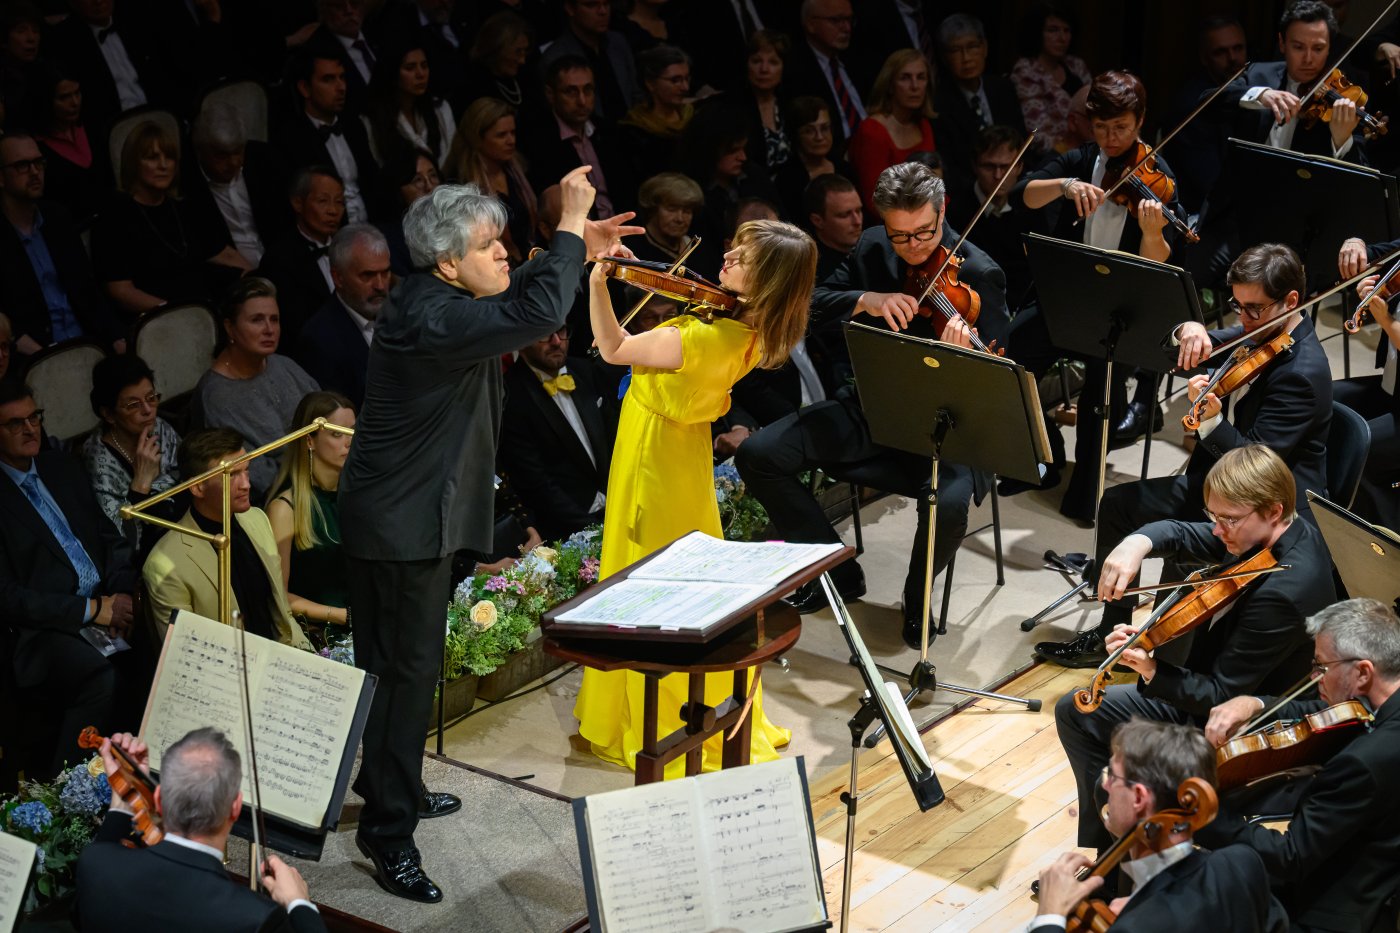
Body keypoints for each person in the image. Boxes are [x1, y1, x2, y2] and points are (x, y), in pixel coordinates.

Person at [337, 168, 638, 901]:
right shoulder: (435, 320)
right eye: (488, 244)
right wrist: (569, 224)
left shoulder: (439, 298)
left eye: (504, 241)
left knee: (408, 669)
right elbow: (535, 312)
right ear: (447, 263)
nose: (504, 253)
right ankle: (387, 831)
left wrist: (574, 247)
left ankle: (394, 784)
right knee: (403, 675)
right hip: (401, 522)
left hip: (415, 511)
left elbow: (516, 289)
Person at [574, 217, 817, 777]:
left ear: (768, 283)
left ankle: (647, 715)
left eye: (743, 259)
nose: (726, 258)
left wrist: (598, 281)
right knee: (681, 576)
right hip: (684, 456)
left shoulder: (699, 338)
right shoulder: (750, 332)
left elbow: (612, 348)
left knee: (644, 577)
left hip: (654, 455)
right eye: (734, 248)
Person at [736, 160, 1009, 647]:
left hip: (946, 429)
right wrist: (866, 299)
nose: (913, 247)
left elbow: (1003, 381)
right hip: (870, 409)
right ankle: (835, 569)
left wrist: (963, 358)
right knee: (758, 455)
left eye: (923, 233)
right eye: (899, 235)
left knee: (947, 503)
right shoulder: (872, 246)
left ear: (943, 210)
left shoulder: (980, 273)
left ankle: (916, 595)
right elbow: (812, 301)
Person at [1034, 244, 1333, 669]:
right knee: (1118, 505)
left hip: (1263, 515)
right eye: (1237, 306)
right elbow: (1176, 352)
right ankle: (1110, 634)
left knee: (1163, 538)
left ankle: (1164, 655)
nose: (1244, 320)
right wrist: (1187, 330)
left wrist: (1211, 423)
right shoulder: (1261, 332)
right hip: (1219, 488)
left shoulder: (1302, 373)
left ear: (1291, 301)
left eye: (1254, 309)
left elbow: (1253, 470)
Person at [1053, 445, 1335, 852]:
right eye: (1213, 516)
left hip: (1238, 727)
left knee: (1083, 721)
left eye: (1228, 519)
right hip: (1219, 687)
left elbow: (1220, 695)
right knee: (1080, 714)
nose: (1217, 530)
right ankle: (1114, 856)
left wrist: (1150, 669)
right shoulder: (1272, 535)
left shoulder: (1284, 592)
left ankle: (1116, 862)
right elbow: (1182, 532)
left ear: (1273, 510)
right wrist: (1136, 543)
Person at [1005, 70, 1179, 516]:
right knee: (1008, 362)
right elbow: (1022, 194)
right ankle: (1044, 457)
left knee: (1101, 391)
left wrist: (1152, 232)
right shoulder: (1082, 160)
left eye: (1121, 127)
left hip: (1119, 307)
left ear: (1140, 121)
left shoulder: (1158, 178)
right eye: (1101, 127)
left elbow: (1158, 264)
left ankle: (1087, 484)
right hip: (1066, 294)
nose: (1110, 138)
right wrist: (1064, 186)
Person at [1197, 598, 1400, 933]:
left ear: (1363, 672)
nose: (1313, 676)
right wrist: (1254, 703)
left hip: (1337, 911)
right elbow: (1321, 713)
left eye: (1321, 666)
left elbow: (1290, 857)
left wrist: (1203, 814)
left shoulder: (1364, 762)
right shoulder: (1382, 703)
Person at [1031, 719, 1288, 933]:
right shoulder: (1241, 863)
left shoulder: (1135, 928)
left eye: (1112, 775)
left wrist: (1049, 915)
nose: (1106, 785)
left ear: (1139, 798)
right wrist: (1141, 901)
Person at [0, 380, 137, 775]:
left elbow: (109, 536)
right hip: (43, 630)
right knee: (99, 679)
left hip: (106, 602)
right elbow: (9, 597)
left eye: (35, 418)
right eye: (15, 424)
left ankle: (145, 770)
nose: (30, 429)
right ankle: (65, 790)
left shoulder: (61, 467)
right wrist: (91, 610)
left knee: (164, 645)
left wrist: (121, 595)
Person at [77, 728, 327, 933]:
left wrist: (124, 799)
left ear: (159, 799)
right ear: (235, 807)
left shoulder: (95, 864)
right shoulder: (256, 918)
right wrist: (299, 904)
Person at [144, 427, 313, 649]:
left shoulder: (257, 519)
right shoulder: (165, 564)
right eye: (231, 475)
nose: (246, 484)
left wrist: (310, 656)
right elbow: (185, 653)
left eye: (246, 470)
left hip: (281, 656)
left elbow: (282, 614)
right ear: (197, 487)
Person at [91, 120, 249, 318]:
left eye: (170, 157)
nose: (163, 165)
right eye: (152, 158)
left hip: (204, 306)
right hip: (157, 318)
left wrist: (258, 281)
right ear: (133, 163)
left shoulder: (183, 208)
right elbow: (120, 291)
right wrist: (176, 311)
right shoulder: (114, 218)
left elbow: (223, 254)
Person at [191, 277, 321, 499]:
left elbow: (328, 414)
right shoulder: (217, 397)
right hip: (281, 498)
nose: (269, 329)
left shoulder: (284, 364)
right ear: (230, 328)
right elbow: (257, 477)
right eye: (257, 320)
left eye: (274, 320)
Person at [499, 323, 617, 541]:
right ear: (522, 340)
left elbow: (616, 439)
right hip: (568, 531)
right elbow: (536, 484)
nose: (556, 342)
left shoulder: (586, 370)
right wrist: (593, 530)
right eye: (545, 334)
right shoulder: (510, 396)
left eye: (561, 331)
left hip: (619, 507)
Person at [0, 131, 110, 358]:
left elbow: (88, 291)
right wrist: (44, 359)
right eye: (22, 165)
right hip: (34, 355)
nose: (34, 172)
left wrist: (116, 338)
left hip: (87, 343)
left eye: (38, 162)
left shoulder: (58, 217)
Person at [1217, 1, 1366, 163]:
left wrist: (1341, 140)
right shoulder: (1258, 74)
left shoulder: (1345, 99)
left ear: (1329, 47)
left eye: (1318, 49)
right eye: (1298, 47)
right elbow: (1208, 100)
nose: (1308, 59)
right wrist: (1260, 94)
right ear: (1282, 43)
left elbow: (1362, 168)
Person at [267, 391, 353, 632]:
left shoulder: (358, 497)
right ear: (309, 441)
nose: (349, 442)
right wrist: (342, 616)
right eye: (337, 434)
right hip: (320, 634)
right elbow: (278, 595)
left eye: (352, 431)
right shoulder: (285, 508)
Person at [81, 354, 182, 552]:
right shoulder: (97, 462)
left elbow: (191, 476)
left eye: (151, 398)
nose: (148, 410)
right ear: (109, 414)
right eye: (133, 405)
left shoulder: (160, 428)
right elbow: (121, 539)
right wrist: (140, 486)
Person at [1334, 235, 1400, 529]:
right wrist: (1355, 243)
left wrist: (1386, 321)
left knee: (1360, 451)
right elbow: (1373, 254)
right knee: (1326, 400)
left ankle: (1385, 534)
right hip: (1392, 385)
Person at [276, 47, 376, 223]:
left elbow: (372, 183)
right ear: (305, 88)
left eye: (342, 77)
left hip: (372, 224)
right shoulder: (291, 139)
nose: (341, 87)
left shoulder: (354, 126)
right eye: (328, 79)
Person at [527, 55, 634, 219]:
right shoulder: (539, 142)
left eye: (588, 90)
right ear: (550, 94)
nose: (582, 101)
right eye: (571, 92)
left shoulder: (609, 133)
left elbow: (626, 191)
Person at [295, 224, 389, 410]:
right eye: (368, 275)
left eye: (385, 273)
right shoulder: (319, 341)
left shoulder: (401, 314)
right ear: (338, 278)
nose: (380, 285)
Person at [944, 124, 1032, 309]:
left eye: (1006, 167)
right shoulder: (956, 210)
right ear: (975, 166)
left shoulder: (1031, 208)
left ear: (1019, 167)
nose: (998, 175)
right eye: (989, 166)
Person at [931, 14, 1027, 181]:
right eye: (956, 50)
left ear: (985, 48)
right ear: (945, 58)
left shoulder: (1003, 88)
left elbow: (1020, 140)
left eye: (972, 47)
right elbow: (951, 165)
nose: (966, 58)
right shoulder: (938, 103)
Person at [445, 96, 536, 265]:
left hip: (529, 258)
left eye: (513, 133)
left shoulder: (519, 171)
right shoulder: (462, 186)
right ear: (477, 138)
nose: (511, 141)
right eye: (501, 135)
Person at [256, 167, 346, 338]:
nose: (333, 211)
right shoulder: (279, 259)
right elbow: (291, 325)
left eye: (339, 202)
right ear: (298, 203)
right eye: (323, 201)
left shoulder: (349, 247)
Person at [849, 49, 936, 215]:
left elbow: (934, 183)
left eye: (921, 77)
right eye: (905, 78)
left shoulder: (924, 125)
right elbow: (875, 201)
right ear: (889, 85)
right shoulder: (872, 131)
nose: (915, 86)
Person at [540, 0, 641, 126]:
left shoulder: (618, 42)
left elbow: (635, 93)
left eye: (606, 4)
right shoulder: (556, 57)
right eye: (591, 5)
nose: (603, 11)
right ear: (570, 9)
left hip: (630, 129)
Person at [1009, 2, 1092, 154]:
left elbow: (1096, 110)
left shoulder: (1076, 65)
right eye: (1053, 30)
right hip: (1051, 155)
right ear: (1037, 33)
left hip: (1090, 146)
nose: (1062, 38)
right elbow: (1036, 134)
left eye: (1066, 30)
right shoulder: (1026, 71)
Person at [29, 63, 104, 228]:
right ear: (46, 101)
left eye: (77, 93)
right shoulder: (35, 147)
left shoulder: (94, 127)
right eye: (64, 97)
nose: (75, 102)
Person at [786, 0, 865, 151]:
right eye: (836, 20)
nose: (847, 28)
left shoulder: (859, 58)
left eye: (849, 20)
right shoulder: (794, 71)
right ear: (811, 24)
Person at [363, 40, 455, 168]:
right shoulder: (373, 119)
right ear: (392, 72)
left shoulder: (440, 108)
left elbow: (453, 158)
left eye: (424, 66)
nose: (421, 74)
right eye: (410, 68)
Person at [774, 95, 859, 223]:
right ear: (795, 135)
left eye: (824, 128)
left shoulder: (845, 169)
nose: (819, 137)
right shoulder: (787, 179)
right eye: (809, 131)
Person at [617, 44, 693, 181]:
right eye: (675, 80)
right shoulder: (634, 132)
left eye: (687, 79)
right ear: (650, 83)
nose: (685, 87)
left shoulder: (693, 118)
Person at [738, 30, 793, 178]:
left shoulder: (790, 105)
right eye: (756, 61)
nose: (764, 69)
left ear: (784, 68)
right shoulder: (733, 108)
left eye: (773, 62)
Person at [805, 172, 864, 279]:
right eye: (844, 215)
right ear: (818, 221)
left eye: (858, 211)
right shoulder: (812, 272)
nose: (857, 221)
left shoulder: (872, 248)